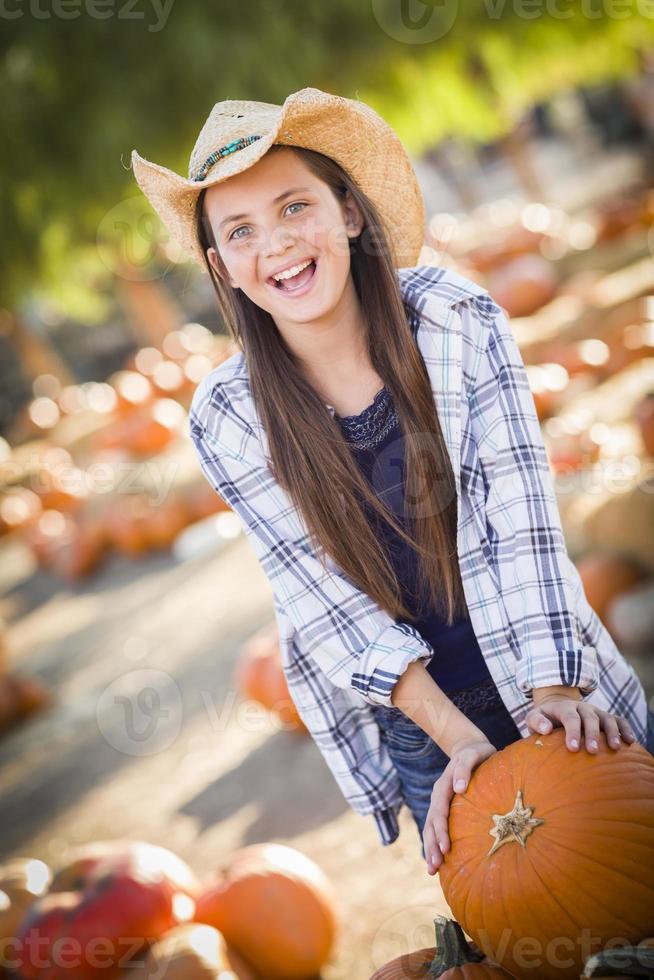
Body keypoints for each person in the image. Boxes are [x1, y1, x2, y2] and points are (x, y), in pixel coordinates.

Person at [131, 87, 654, 878]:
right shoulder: (228, 418)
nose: (275, 244)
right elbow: (322, 599)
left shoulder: (454, 319)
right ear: (222, 267)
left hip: (548, 664)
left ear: (348, 211)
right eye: (240, 230)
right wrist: (459, 740)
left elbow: (521, 515)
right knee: (522, 927)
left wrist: (554, 692)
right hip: (425, 728)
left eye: (294, 207)